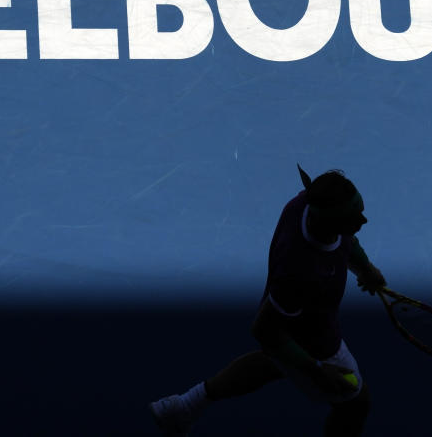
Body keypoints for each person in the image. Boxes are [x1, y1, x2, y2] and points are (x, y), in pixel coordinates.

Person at [149, 164, 387, 436]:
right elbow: (265, 330)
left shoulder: (303, 204)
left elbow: (346, 238)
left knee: (273, 364)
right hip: (316, 345)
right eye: (354, 216)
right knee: (355, 405)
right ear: (330, 222)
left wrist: (366, 268)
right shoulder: (302, 270)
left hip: (292, 312)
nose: (364, 220)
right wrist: (318, 369)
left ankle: (183, 407)